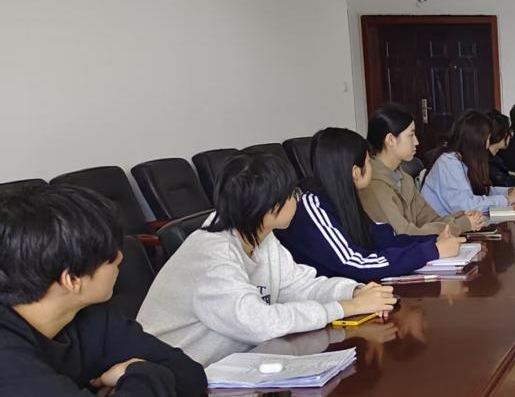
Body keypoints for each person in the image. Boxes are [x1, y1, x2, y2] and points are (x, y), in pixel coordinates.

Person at [0, 185, 206, 397]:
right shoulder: (7, 357)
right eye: (109, 256)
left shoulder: (88, 313)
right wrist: (139, 372)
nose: (120, 257)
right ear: (72, 279)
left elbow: (189, 374)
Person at [138, 152, 398, 365]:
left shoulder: (260, 235)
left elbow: (300, 286)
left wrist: (354, 292)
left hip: (235, 366)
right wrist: (345, 308)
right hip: (174, 384)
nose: (297, 200)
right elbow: (259, 323)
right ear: (269, 207)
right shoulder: (211, 255)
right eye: (292, 194)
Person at [278, 127, 463, 283]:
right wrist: (431, 251)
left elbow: (380, 239)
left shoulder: (343, 199)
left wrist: (434, 241)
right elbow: (355, 264)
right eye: (369, 162)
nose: (372, 167)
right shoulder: (313, 205)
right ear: (355, 171)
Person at [360, 105, 487, 237]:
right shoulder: (374, 184)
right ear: (390, 140)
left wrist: (459, 217)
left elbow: (430, 219)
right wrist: (461, 225)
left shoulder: (404, 178)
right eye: (411, 135)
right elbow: (405, 235)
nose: (416, 142)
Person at [422, 110, 515, 216]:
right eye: (487, 139)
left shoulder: (463, 160)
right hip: (443, 225)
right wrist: (506, 200)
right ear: (477, 141)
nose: (487, 145)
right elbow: (467, 207)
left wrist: (509, 192)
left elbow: (480, 191)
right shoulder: (448, 163)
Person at [486, 110, 515, 188]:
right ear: (499, 135)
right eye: (508, 132)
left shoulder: (496, 158)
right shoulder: (487, 162)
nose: (511, 135)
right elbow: (505, 183)